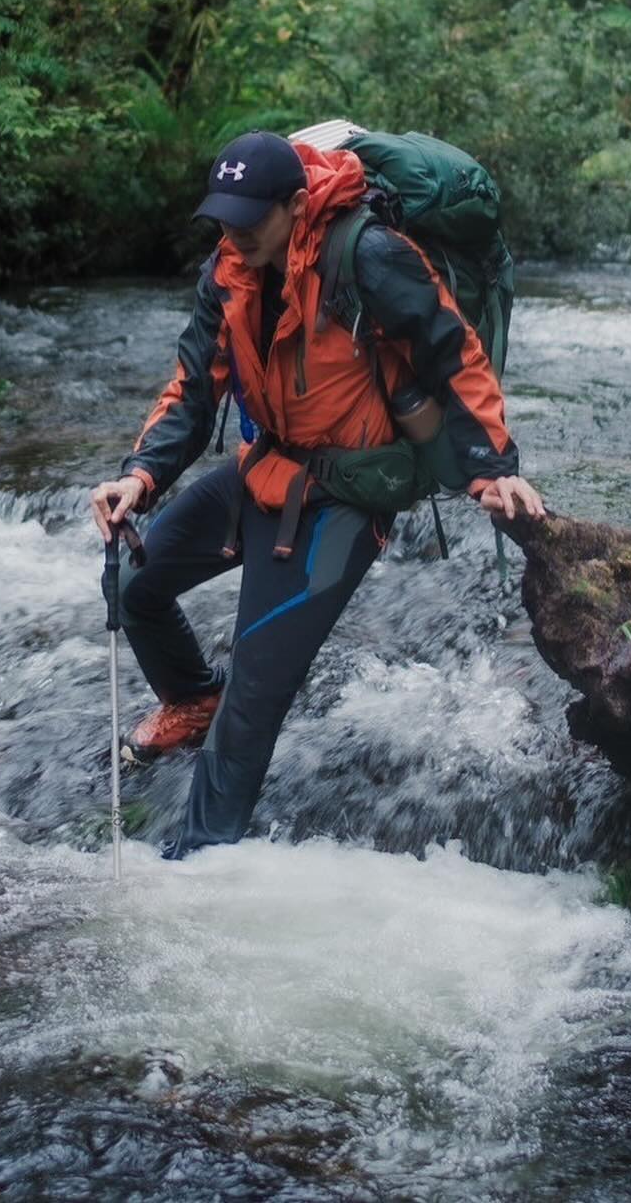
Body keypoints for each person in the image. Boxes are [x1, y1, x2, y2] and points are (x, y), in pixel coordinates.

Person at [88, 129, 545, 858]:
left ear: (297, 206)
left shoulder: (369, 256)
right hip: (267, 465)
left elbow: (453, 350)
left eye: (248, 220)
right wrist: (139, 475)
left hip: (345, 497)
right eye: (223, 220)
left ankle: (194, 871)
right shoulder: (230, 269)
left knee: (255, 700)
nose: (232, 235)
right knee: (138, 582)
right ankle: (190, 699)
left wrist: (493, 467)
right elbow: (192, 386)